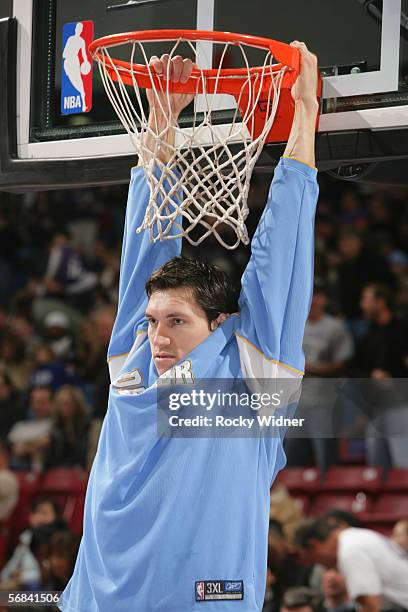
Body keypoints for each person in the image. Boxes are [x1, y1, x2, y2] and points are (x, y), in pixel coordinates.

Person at [60, 43, 319, 612]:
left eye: (177, 321)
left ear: (221, 326)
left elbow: (283, 263)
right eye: (153, 321)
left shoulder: (249, 370)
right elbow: (143, 243)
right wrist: (161, 118)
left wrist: (304, 118)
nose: (157, 335)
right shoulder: (132, 357)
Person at [294, 517, 408, 612]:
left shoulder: (349, 551)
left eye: (312, 559)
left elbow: (371, 606)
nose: (321, 566)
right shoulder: (354, 537)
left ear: (314, 545)